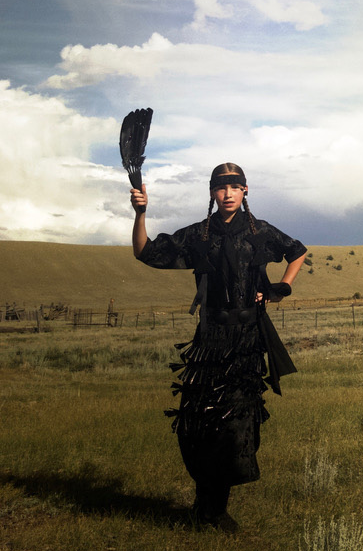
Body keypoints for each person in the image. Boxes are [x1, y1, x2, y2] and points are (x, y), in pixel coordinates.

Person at [131, 164, 307, 529]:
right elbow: (146, 252)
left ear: (245, 192)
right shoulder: (200, 235)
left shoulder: (260, 233)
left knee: (237, 426)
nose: (228, 194)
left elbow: (298, 251)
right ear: (212, 193)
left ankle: (215, 508)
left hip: (246, 342)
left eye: (235, 187)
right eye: (220, 188)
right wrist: (141, 213)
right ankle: (205, 505)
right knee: (200, 422)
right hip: (209, 342)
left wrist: (280, 289)